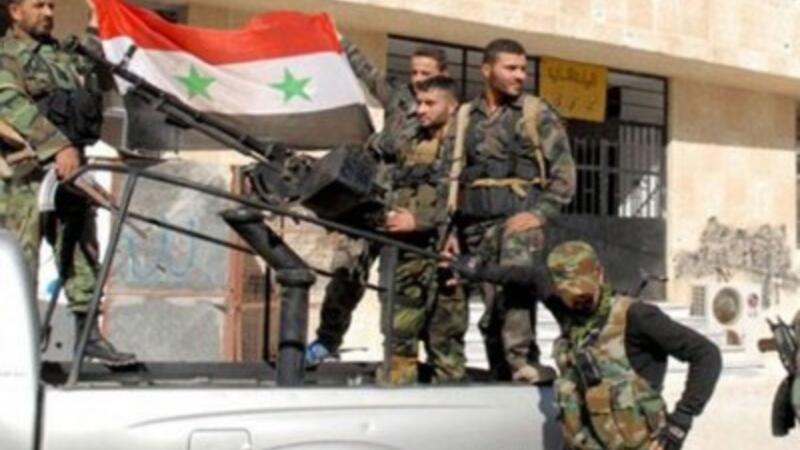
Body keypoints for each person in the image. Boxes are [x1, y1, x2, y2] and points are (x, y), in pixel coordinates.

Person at [449, 241, 722, 450]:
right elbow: (528, 276)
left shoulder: (637, 317)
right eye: (570, 294)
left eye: (584, 291)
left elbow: (706, 354)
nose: (578, 300)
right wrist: (477, 269)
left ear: (599, 274)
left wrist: (680, 421)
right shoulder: (561, 304)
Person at [0, 0, 135, 365]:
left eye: (51, 5)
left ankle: (88, 336)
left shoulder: (58, 55)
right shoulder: (6, 57)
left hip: (69, 172)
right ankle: (20, 346)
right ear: (15, 11)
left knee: (81, 251)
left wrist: (95, 23)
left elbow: (85, 65)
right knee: (21, 260)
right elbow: (11, 105)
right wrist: (58, 146)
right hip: (23, 179)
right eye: (38, 5)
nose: (48, 13)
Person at [305, 36, 449, 367]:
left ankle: (419, 357)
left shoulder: (446, 112)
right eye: (414, 72)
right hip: (371, 204)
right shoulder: (399, 96)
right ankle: (327, 340)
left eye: (426, 73)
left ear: (443, 74)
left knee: (413, 289)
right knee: (347, 272)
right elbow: (369, 75)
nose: (418, 79)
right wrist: (341, 43)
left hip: (413, 212)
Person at [448, 38, 575, 383]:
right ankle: (503, 375)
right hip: (475, 227)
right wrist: (450, 230)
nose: (520, 75)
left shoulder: (536, 112)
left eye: (523, 69)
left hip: (519, 223)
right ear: (487, 70)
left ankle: (523, 362)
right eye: (511, 68)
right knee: (492, 312)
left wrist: (541, 213)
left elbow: (564, 173)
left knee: (516, 291)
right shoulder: (465, 116)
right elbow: (452, 176)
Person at [381, 75, 466, 384]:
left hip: (448, 255)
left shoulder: (468, 145)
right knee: (399, 340)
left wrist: (420, 221)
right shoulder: (411, 140)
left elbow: (470, 199)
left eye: (430, 103)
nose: (420, 110)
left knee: (446, 344)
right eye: (419, 102)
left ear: (452, 106)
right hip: (409, 257)